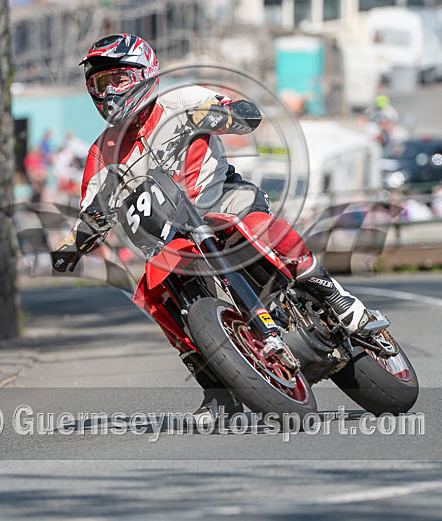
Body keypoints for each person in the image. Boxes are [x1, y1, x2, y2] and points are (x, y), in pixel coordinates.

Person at [58, 33, 371, 419]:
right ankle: (218, 392)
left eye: (117, 79)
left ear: (144, 72)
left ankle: (334, 295)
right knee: (153, 292)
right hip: (172, 237)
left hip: (221, 198)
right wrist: (72, 244)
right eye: (100, 84)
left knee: (255, 224)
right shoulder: (100, 152)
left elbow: (239, 114)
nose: (108, 92)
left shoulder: (180, 101)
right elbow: (91, 210)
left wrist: (231, 113)